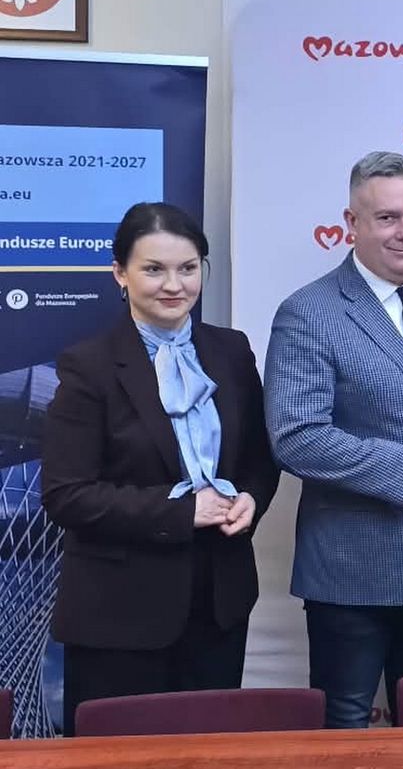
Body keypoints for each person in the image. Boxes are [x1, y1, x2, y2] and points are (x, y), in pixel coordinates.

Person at [42, 202, 280, 735]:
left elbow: (259, 460)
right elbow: (67, 495)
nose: (174, 285)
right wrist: (181, 512)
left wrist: (250, 499)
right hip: (119, 617)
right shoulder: (89, 366)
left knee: (208, 766)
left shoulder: (232, 350)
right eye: (154, 269)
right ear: (120, 273)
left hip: (218, 606)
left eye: (188, 268)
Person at [264, 151, 403, 728]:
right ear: (351, 223)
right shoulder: (309, 313)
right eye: (387, 218)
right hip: (354, 570)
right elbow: (296, 437)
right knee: (345, 738)